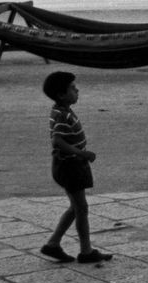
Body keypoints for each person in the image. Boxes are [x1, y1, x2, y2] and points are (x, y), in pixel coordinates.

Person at [40, 71, 111, 264]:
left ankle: (53, 244)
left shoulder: (63, 109)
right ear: (61, 94)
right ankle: (85, 251)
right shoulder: (62, 114)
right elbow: (58, 141)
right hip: (70, 165)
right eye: (72, 87)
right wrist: (82, 153)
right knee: (81, 207)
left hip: (70, 164)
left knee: (76, 207)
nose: (77, 90)